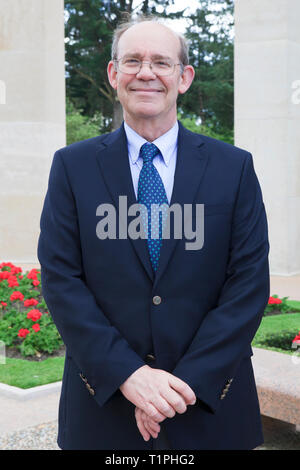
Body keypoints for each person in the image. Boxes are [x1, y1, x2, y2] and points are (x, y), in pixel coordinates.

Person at [37, 16, 270, 450]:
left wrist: (181, 387)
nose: (146, 72)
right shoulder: (72, 167)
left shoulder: (233, 168)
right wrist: (130, 376)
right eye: (133, 61)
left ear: (183, 78)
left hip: (209, 405)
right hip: (104, 407)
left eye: (161, 62)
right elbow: (61, 280)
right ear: (113, 74)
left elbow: (248, 285)